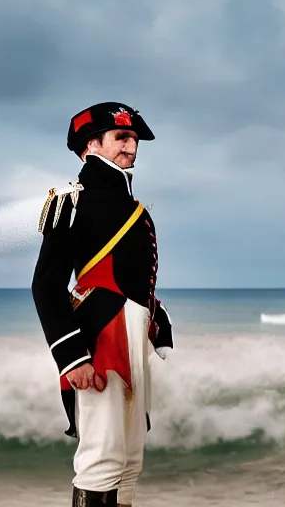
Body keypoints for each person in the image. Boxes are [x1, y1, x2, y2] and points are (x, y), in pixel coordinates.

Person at [32, 102, 174, 507]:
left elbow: (129, 279)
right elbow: (45, 285)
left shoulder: (134, 209)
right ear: (91, 145)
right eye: (121, 137)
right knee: (102, 456)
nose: (131, 146)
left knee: (129, 458)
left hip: (131, 334)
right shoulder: (72, 202)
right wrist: (73, 358)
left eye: (133, 139)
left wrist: (153, 316)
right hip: (100, 337)